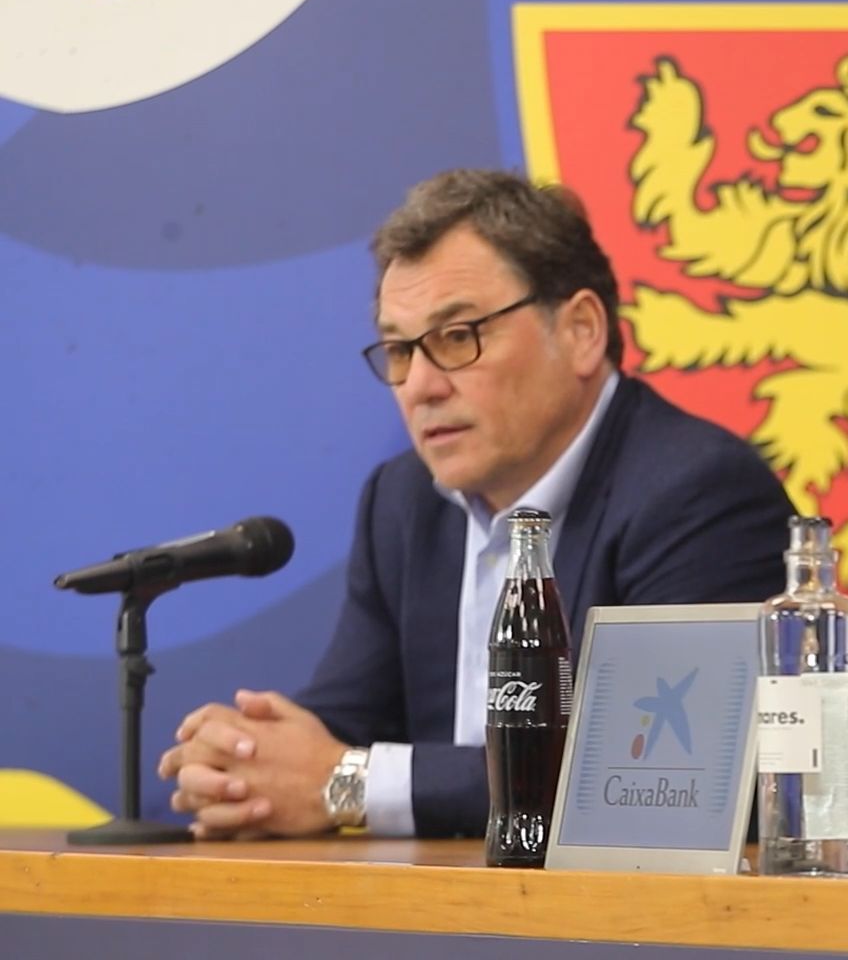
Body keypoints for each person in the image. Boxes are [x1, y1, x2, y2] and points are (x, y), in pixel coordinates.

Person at [158, 169, 794, 839]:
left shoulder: (697, 493)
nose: (421, 386)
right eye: (400, 350)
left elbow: (651, 773)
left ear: (579, 330)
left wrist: (350, 784)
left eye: (457, 337)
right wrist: (245, 765)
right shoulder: (403, 503)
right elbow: (338, 727)